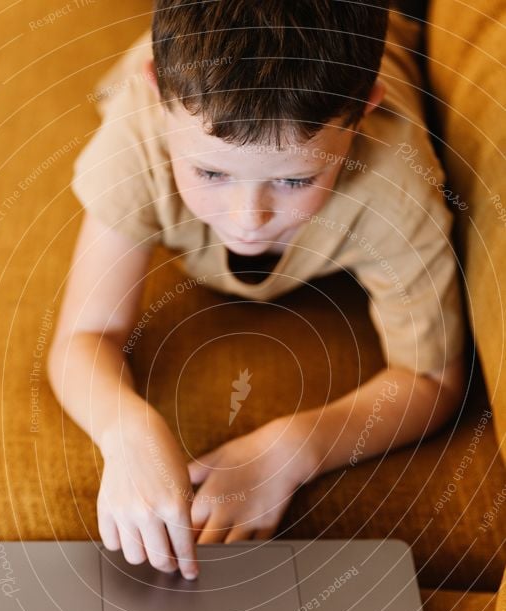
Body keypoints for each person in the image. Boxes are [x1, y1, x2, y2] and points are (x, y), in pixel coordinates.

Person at [47, 1, 465, 581]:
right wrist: (126, 433)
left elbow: (432, 377)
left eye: (295, 179)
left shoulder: (397, 189)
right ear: (157, 95)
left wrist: (292, 449)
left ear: (364, 112)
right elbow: (84, 335)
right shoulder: (137, 137)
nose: (249, 219)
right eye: (212, 173)